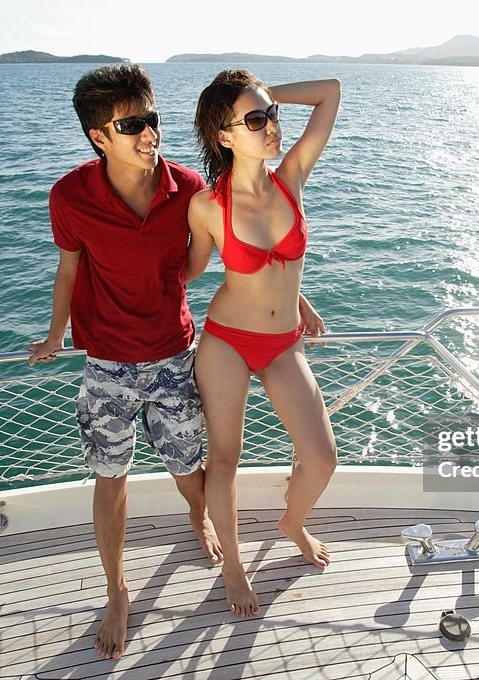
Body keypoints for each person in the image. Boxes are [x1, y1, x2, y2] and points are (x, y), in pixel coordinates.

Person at [28, 62, 223, 660]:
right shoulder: (70, 194)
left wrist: (170, 288)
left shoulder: (187, 186)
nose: (149, 133)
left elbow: (204, 258)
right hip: (107, 363)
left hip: (172, 353)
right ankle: (117, 591)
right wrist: (55, 333)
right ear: (98, 136)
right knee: (109, 479)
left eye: (152, 119)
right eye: (132, 123)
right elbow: (69, 269)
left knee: (190, 467)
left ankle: (200, 518)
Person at [186, 69, 341, 618]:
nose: (272, 126)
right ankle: (233, 567)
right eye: (256, 119)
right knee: (225, 457)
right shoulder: (207, 206)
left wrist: (271, 91)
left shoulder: (291, 177)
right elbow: (189, 270)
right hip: (227, 339)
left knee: (322, 458)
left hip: (283, 344)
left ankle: (291, 522)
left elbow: (330, 93)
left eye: (271, 114)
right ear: (224, 136)